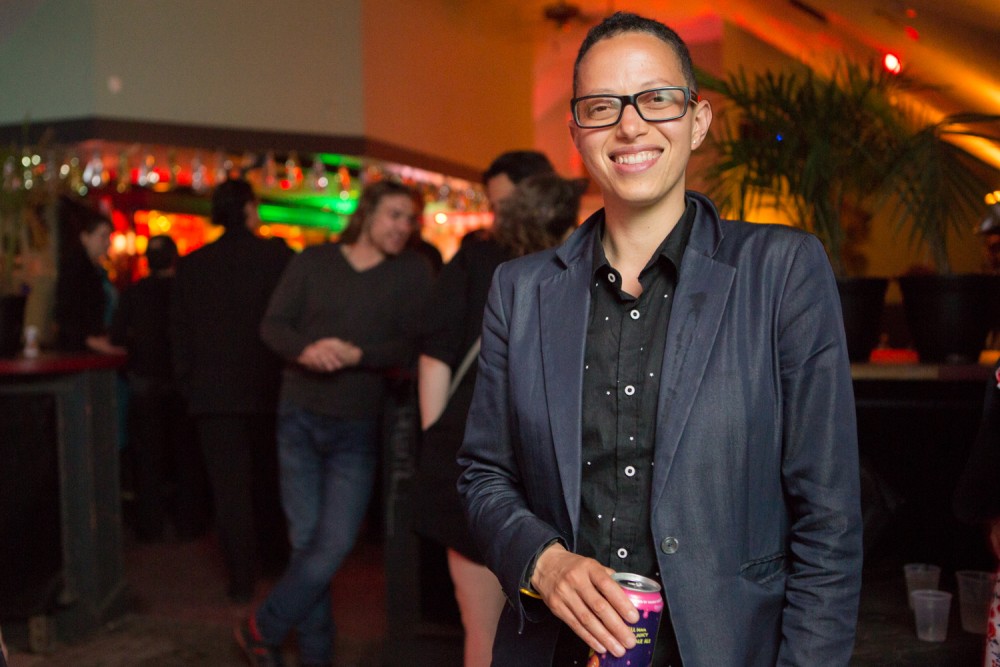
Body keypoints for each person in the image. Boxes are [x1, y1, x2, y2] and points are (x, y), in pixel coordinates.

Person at [457, 11, 862, 666]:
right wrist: (544, 562)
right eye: (602, 106)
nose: (630, 125)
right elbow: (483, 474)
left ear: (697, 121)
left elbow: (830, 520)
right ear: (576, 134)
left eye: (657, 99)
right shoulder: (520, 291)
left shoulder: (781, 272)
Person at [239, 180, 432, 666]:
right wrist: (305, 350)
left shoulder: (412, 272)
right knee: (307, 545)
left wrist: (357, 355)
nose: (403, 227)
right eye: (394, 215)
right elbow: (272, 325)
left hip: (357, 426)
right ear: (367, 213)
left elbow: (415, 344)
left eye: (410, 219)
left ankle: (262, 627)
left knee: (333, 545)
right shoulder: (314, 261)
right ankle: (315, 656)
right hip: (298, 418)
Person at [414, 172, 586, 667]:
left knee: (484, 627)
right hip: (542, 464)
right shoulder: (572, 272)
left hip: (471, 456)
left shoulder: (477, 260)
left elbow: (435, 356)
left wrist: (437, 439)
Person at [171, 178, 294, 603]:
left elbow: (179, 333)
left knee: (229, 492)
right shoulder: (277, 258)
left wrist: (189, 385)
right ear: (248, 208)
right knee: (270, 482)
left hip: (213, 395)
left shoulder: (193, 265)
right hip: (269, 389)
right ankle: (276, 563)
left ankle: (241, 579)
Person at [111, 235, 207, 542]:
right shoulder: (186, 291)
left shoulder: (134, 293)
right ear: (174, 259)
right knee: (185, 457)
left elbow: (116, 336)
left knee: (147, 459)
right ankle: (188, 523)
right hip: (181, 384)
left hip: (145, 382)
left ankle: (150, 525)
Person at [53, 198, 123, 354]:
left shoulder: (98, 271)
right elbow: (67, 315)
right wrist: (91, 341)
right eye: (103, 236)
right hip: (79, 353)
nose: (107, 243)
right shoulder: (76, 269)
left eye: (109, 237)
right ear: (85, 237)